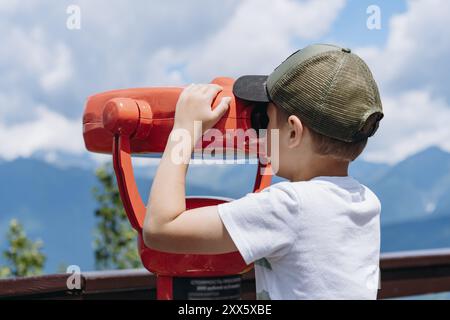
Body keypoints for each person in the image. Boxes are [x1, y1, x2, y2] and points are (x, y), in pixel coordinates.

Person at [143, 44, 384, 300]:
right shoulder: (367, 201)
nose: (260, 133)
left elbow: (160, 228)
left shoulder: (290, 205)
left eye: (265, 120)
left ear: (293, 132)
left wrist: (184, 131)